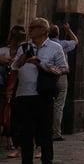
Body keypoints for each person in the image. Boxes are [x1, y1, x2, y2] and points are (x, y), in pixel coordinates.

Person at [11, 17, 68, 164]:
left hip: (43, 95)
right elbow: (15, 67)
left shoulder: (55, 48)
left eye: (32, 27)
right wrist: (22, 59)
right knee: (26, 133)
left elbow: (64, 69)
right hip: (24, 94)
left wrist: (40, 64)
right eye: (29, 27)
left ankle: (46, 160)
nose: (29, 30)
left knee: (45, 132)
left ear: (43, 30)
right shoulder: (23, 47)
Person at [46, 23, 76, 141]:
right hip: (61, 76)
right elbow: (76, 40)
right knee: (58, 106)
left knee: (47, 104)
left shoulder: (46, 45)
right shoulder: (63, 44)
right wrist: (68, 30)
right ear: (58, 33)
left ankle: (45, 129)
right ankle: (56, 132)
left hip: (47, 76)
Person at [1, 27, 26, 155]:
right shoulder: (4, 51)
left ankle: (12, 141)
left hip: (14, 86)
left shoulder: (23, 51)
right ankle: (11, 141)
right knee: (8, 114)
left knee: (9, 114)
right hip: (9, 85)